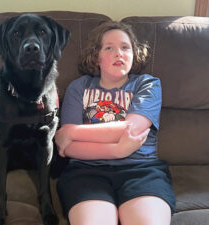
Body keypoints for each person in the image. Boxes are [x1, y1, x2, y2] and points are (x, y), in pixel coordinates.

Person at [55, 21, 175, 225]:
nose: (119, 53)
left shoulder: (147, 84)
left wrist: (72, 130)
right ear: (97, 56)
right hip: (86, 172)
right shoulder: (79, 87)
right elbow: (68, 148)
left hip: (142, 171)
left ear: (134, 54)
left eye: (125, 47)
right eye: (109, 48)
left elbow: (130, 128)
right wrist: (118, 150)